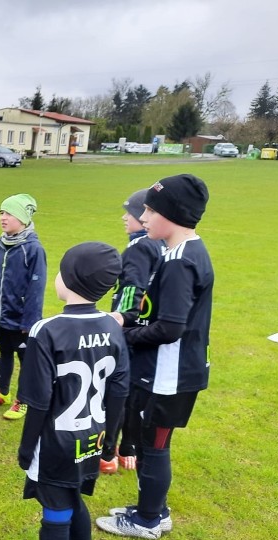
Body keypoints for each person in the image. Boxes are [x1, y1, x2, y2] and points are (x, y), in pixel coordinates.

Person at [96, 174, 213, 540]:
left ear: (172, 214)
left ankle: (148, 520)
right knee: (153, 442)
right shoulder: (180, 252)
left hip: (170, 374)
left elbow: (170, 328)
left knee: (156, 446)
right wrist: (127, 318)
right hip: (169, 371)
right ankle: (154, 510)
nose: (143, 217)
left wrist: (126, 334)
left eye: (150, 209)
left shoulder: (180, 260)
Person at [14, 242, 128, 540]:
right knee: (72, 493)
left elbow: (39, 400)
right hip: (92, 434)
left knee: (56, 504)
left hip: (57, 440)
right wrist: (110, 441)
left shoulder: (46, 330)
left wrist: (26, 446)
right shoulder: (113, 328)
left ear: (69, 279)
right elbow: (119, 391)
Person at [100, 189, 166, 475]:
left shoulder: (139, 247)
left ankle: (108, 452)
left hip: (130, 333)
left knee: (119, 393)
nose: (125, 217)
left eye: (131, 212)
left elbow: (132, 290)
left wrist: (120, 318)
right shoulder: (160, 245)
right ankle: (130, 447)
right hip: (149, 331)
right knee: (137, 393)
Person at [0, 194, 46, 422]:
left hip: (23, 320)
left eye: (9, 214)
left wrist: (31, 321)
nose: (3, 218)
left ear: (23, 218)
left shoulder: (33, 249)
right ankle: (2, 392)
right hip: (2, 315)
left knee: (26, 360)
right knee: (4, 352)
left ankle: (24, 400)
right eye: (1, 213)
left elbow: (37, 288)